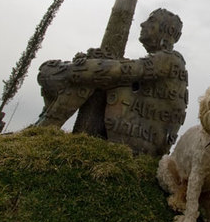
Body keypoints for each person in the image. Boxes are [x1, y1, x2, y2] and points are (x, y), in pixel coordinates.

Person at [36, 8, 188, 155]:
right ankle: (44, 127)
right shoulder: (166, 61)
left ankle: (44, 129)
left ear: (167, 31)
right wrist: (99, 61)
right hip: (136, 137)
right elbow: (130, 70)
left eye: (151, 20)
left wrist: (71, 69)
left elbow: (122, 71)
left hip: (141, 144)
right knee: (98, 74)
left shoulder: (171, 60)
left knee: (97, 78)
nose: (143, 24)